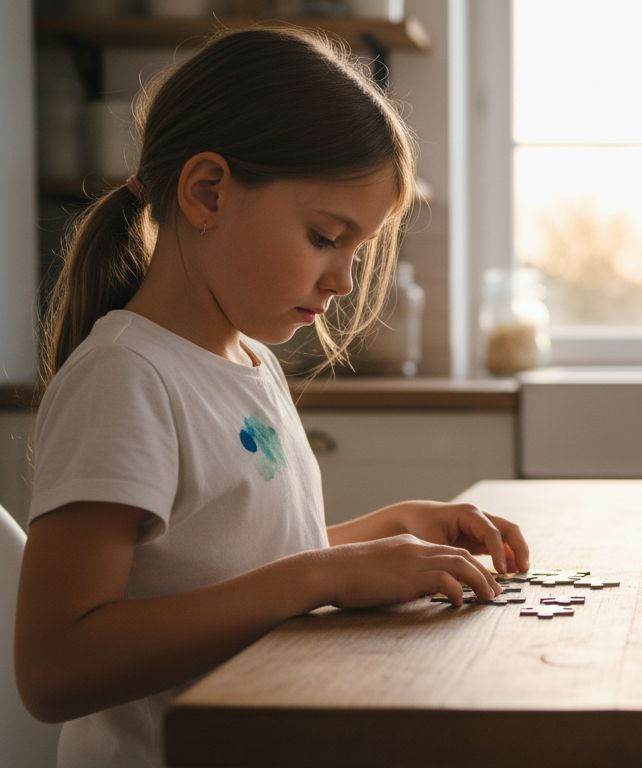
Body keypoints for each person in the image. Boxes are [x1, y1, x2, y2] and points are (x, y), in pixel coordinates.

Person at [13, 26, 529, 768]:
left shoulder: (247, 359)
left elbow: (227, 566)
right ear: (206, 193)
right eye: (326, 237)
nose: (345, 281)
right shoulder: (125, 378)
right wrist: (320, 575)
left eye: (358, 251)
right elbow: (54, 668)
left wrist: (389, 531)